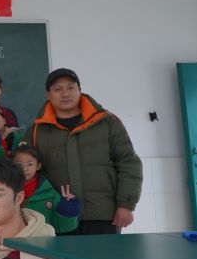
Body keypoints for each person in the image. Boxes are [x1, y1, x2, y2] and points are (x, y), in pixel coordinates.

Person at [25, 68, 142, 234]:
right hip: (57, 217)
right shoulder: (37, 130)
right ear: (48, 95)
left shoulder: (107, 122)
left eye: (70, 87)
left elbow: (128, 163)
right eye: (58, 89)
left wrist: (126, 205)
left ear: (79, 90)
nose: (65, 93)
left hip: (102, 215)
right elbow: (22, 169)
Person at [12, 145, 81, 234]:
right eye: (19, 165)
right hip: (13, 240)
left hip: (43, 240)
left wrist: (67, 209)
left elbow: (61, 227)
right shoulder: (6, 191)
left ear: (38, 166)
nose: (24, 169)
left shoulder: (49, 192)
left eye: (30, 164)